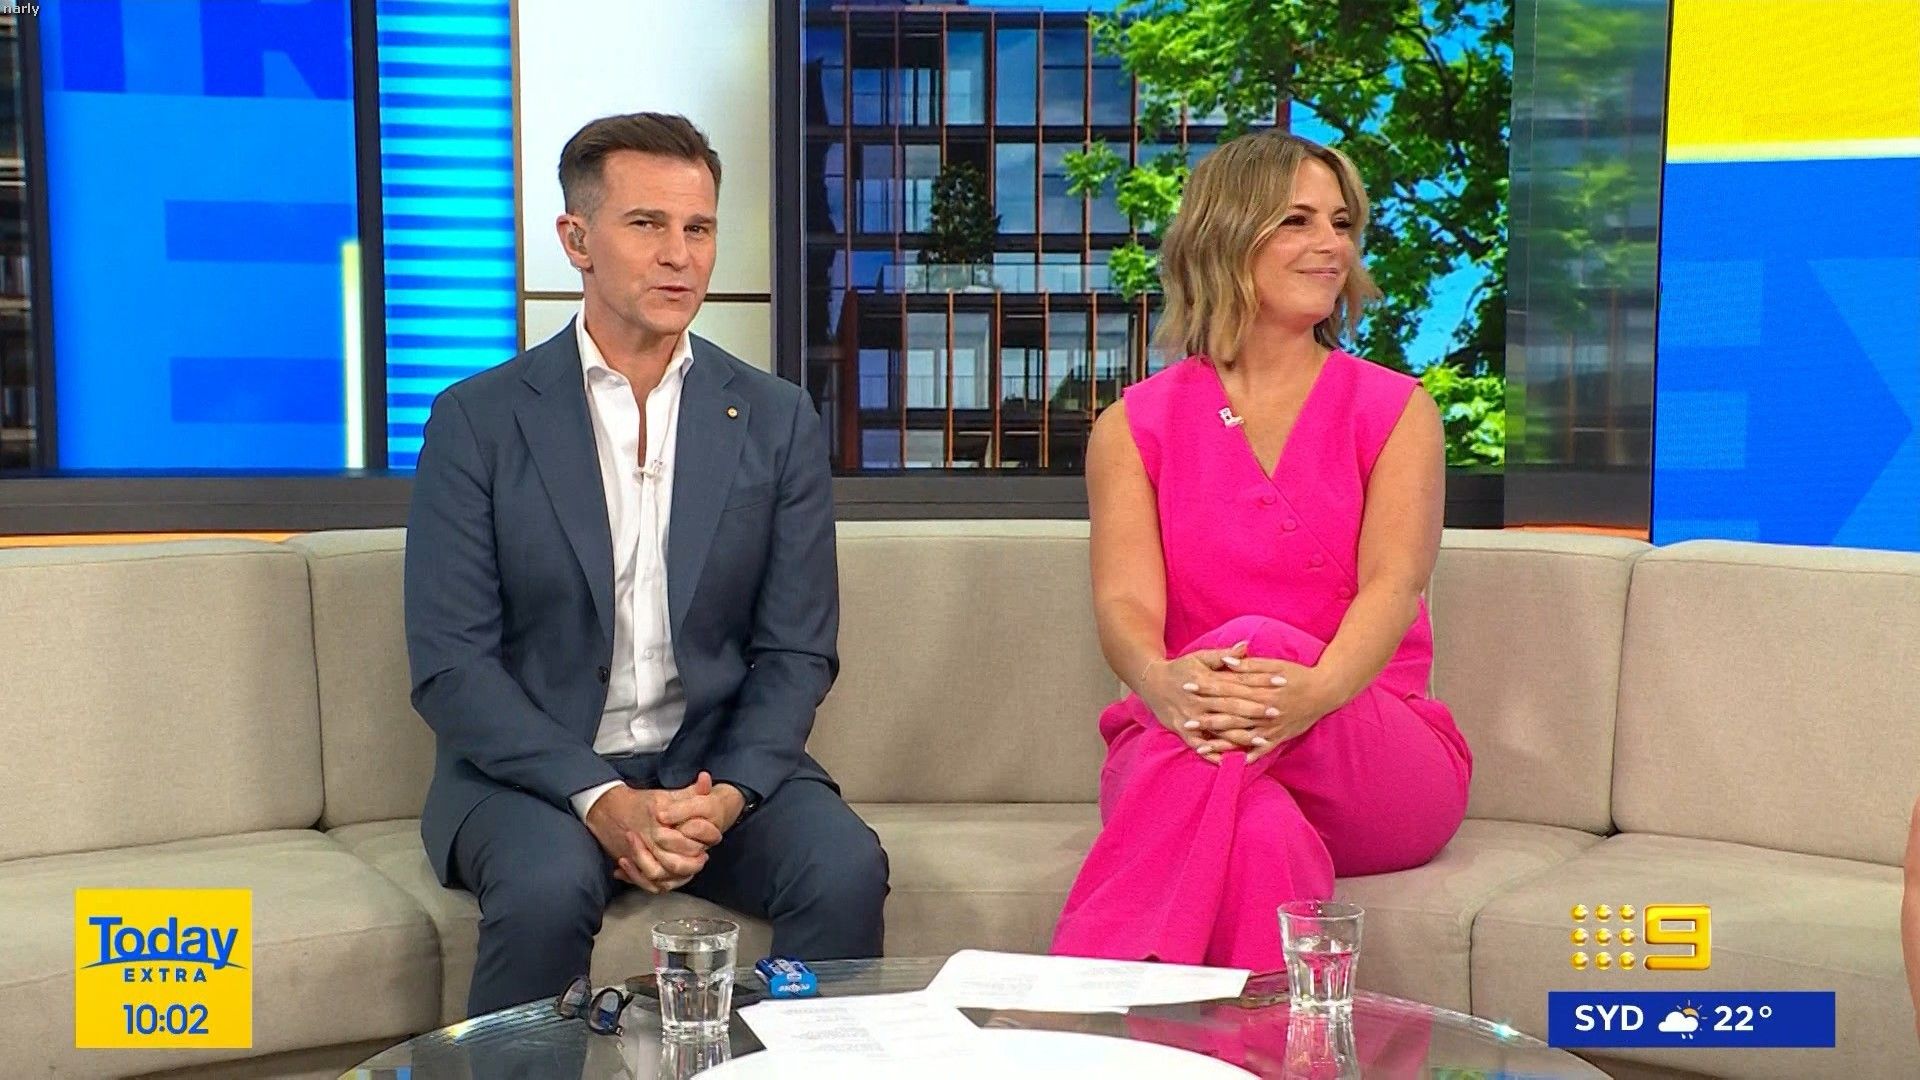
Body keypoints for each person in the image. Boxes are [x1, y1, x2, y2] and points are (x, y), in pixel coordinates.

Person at [404, 112, 887, 1017]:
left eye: (698, 228)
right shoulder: (478, 421)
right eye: (646, 224)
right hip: (533, 777)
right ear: (576, 240)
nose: (679, 255)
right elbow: (451, 666)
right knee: (545, 889)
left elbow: (796, 650)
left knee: (843, 865)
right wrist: (599, 797)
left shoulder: (776, 418)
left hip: (710, 764)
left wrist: (729, 795)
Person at [1051, 131, 1472, 970]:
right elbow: (1125, 606)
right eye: (1298, 221)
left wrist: (1314, 693)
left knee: (1259, 639)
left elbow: (1393, 588)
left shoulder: (1395, 410)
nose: (1332, 245)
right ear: (1227, 235)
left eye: (1342, 223)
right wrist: (1162, 684)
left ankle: (1074, 997)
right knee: (1258, 835)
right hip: (1193, 731)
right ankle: (1275, 1036)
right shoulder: (1133, 427)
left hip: (1372, 754)